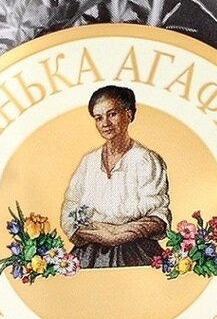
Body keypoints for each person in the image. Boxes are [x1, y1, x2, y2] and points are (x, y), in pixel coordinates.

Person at [61, 86, 171, 269]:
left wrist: (119, 234)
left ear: (128, 115)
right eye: (98, 118)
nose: (105, 123)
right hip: (89, 252)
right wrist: (101, 234)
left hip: (135, 251)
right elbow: (70, 209)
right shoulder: (89, 162)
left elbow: (158, 215)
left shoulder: (146, 160)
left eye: (112, 114)